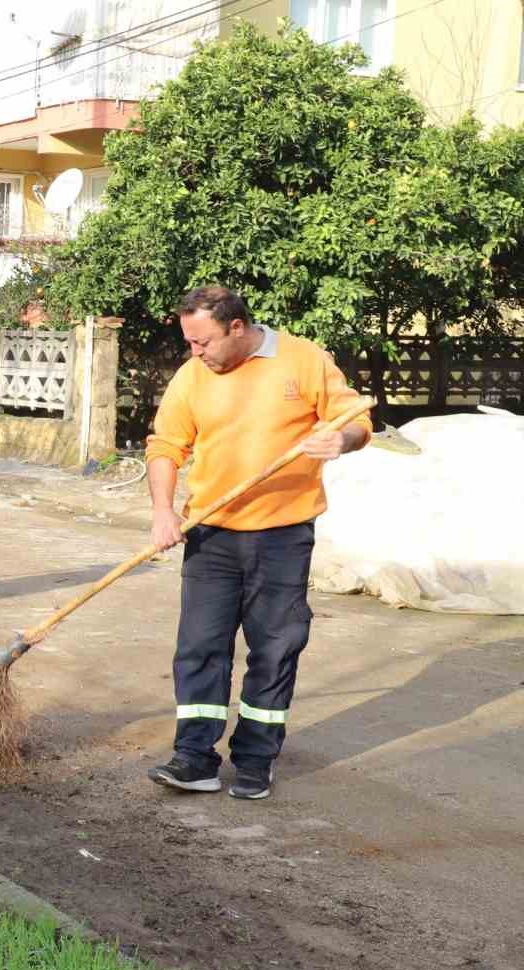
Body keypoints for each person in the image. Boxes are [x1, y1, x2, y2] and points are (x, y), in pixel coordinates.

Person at [144, 286, 371, 800]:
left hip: (283, 536)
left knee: (274, 647)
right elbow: (166, 445)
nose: (195, 353)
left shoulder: (304, 360)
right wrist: (162, 510)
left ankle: (255, 758)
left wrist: (340, 441)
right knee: (200, 648)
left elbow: (356, 420)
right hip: (211, 533)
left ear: (238, 328)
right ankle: (194, 757)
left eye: (203, 342)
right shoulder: (192, 376)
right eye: (189, 343)